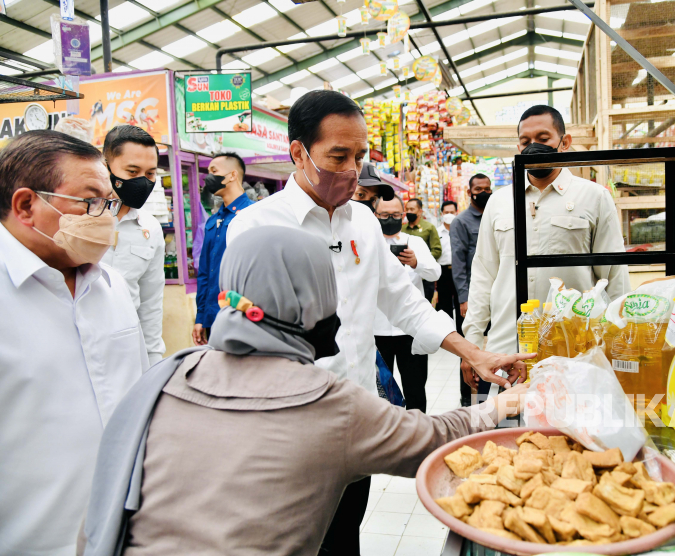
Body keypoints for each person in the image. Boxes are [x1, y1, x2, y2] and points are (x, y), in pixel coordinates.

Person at [79, 226, 527, 556]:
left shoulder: (169, 376)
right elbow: (432, 440)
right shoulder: (325, 402)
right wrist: (501, 406)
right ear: (314, 300)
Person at [226, 90, 530, 555]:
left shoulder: (363, 223)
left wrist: (476, 353)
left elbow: (404, 301)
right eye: (338, 156)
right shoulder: (256, 228)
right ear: (298, 153)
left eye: (360, 156)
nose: (352, 170)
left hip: (354, 414)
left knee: (347, 533)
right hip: (287, 426)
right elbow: (244, 331)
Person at [0, 130, 148, 555]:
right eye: (89, 202)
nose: (104, 216)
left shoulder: (113, 287)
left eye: (108, 202)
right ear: (26, 205)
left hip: (123, 534)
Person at [463, 105, 630, 377]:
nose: (533, 147)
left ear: (564, 142)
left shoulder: (594, 197)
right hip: (508, 350)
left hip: (575, 351)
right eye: (526, 142)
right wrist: (472, 345)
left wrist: (619, 340)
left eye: (543, 139)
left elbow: (614, 276)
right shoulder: (500, 202)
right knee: (510, 418)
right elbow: (484, 274)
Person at [101, 125, 166, 364]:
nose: (143, 181)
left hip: (129, 352)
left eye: (150, 174)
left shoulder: (150, 228)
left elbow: (150, 303)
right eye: (132, 171)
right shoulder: (78, 218)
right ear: (105, 166)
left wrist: (154, 360)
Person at [373, 196, 441, 413]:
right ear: (375, 216)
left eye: (395, 215)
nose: (390, 219)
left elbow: (435, 272)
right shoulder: (368, 242)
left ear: (403, 216)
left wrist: (415, 262)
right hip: (376, 329)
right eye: (384, 215)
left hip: (411, 330)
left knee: (415, 388)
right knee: (380, 391)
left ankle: (418, 433)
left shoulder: (415, 242)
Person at [193, 152, 254, 346]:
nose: (208, 177)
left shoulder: (254, 215)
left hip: (243, 316)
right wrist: (201, 317)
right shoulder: (213, 221)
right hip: (213, 317)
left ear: (232, 175)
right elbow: (204, 273)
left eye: (214, 171)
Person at [451, 173, 491, 405]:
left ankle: (491, 389)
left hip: (494, 293)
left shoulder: (496, 216)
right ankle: (467, 396)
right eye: (478, 188)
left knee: (492, 343)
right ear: (469, 192)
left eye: (487, 188)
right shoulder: (462, 222)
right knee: (468, 346)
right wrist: (463, 298)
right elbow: (458, 262)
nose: (484, 192)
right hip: (471, 294)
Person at [403, 197, 442, 301]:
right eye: (407, 209)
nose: (409, 212)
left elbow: (437, 250)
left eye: (412, 209)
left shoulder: (429, 227)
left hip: (425, 276)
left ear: (420, 211)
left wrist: (421, 260)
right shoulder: (402, 229)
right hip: (407, 277)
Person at [436, 200, 459, 319]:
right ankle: (447, 333)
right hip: (443, 271)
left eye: (452, 212)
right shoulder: (436, 232)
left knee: (461, 302)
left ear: (456, 213)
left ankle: (462, 333)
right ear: (441, 214)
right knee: (445, 304)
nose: (449, 214)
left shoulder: (460, 230)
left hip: (459, 270)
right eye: (446, 212)